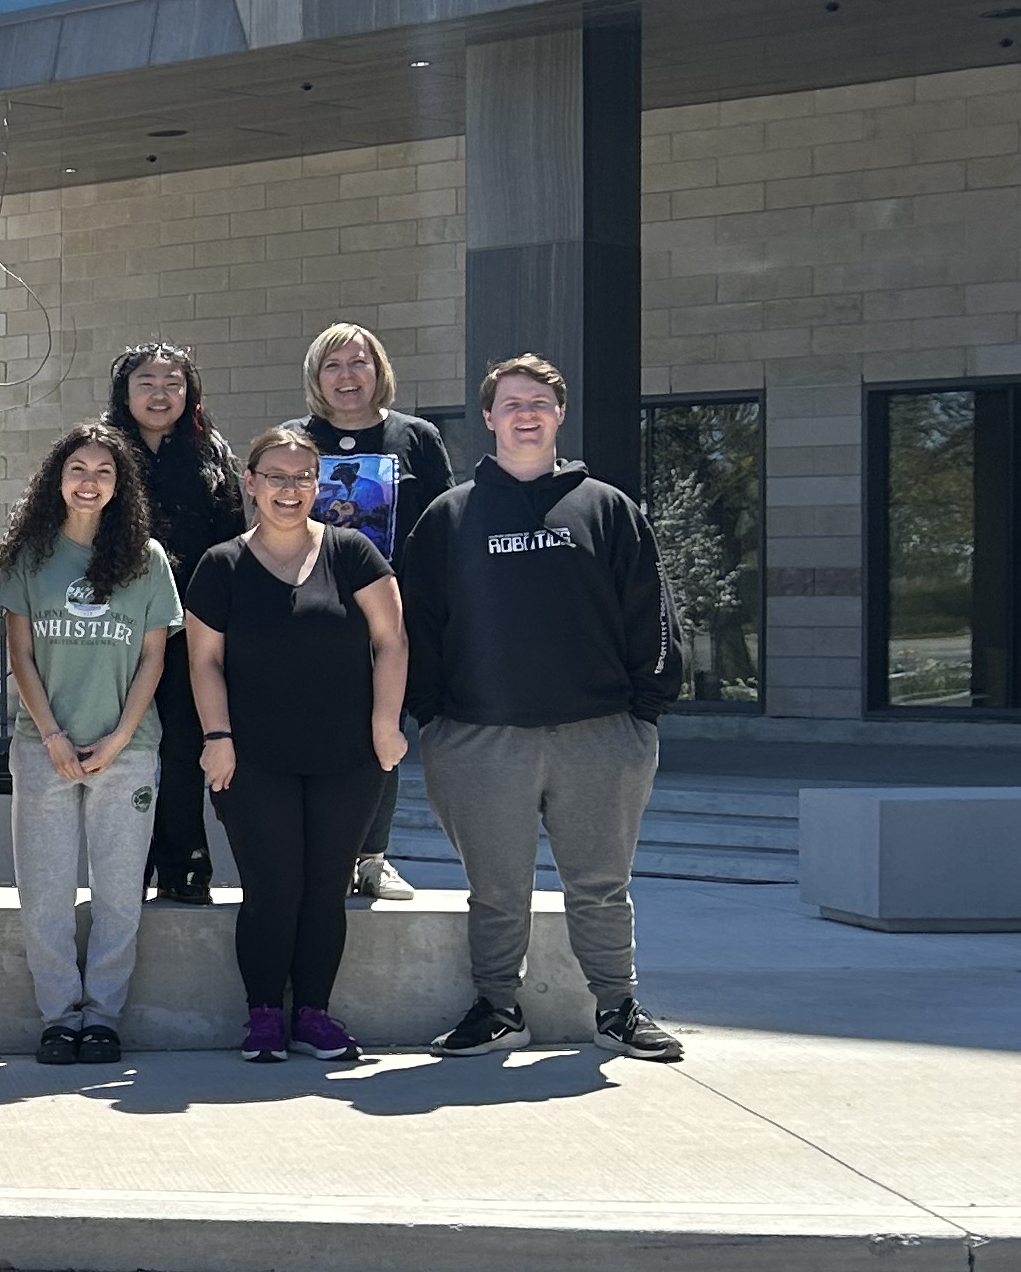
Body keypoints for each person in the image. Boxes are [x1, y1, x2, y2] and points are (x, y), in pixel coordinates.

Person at [399, 354, 688, 1063]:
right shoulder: (450, 516)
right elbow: (417, 624)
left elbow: (651, 612)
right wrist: (433, 716)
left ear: (559, 415)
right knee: (495, 890)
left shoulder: (607, 508)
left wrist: (642, 712)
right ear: (489, 419)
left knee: (600, 884)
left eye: (538, 402)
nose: (524, 414)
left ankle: (617, 1007)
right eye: (510, 403)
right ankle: (498, 1007)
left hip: (599, 735)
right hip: (479, 737)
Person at [185, 423, 411, 1065]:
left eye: (302, 477)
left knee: (324, 888)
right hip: (252, 759)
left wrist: (385, 726)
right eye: (276, 477)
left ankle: (313, 1013)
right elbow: (204, 662)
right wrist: (217, 737)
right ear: (250, 483)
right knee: (272, 887)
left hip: (348, 758)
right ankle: (263, 1015)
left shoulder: (355, 554)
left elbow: (392, 641)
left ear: (319, 484)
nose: (290, 489)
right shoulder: (221, 564)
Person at [0, 424, 180, 1065]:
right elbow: (19, 653)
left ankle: (101, 1016)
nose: (90, 481)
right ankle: (57, 1017)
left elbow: (154, 656)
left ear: (119, 485)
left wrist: (121, 736)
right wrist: (50, 733)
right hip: (42, 746)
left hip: (125, 750)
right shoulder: (27, 557)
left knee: (118, 894)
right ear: (57, 478)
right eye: (78, 468)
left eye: (105, 470)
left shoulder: (146, 559)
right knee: (43, 893)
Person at [304, 323, 457, 903]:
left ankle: (372, 857)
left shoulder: (415, 437)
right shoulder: (297, 439)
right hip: (311, 611)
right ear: (317, 378)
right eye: (333, 365)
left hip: (391, 614)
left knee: (381, 731)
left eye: (358, 363)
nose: (347, 376)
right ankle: (329, 856)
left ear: (379, 370)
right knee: (321, 732)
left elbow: (443, 527)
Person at [101, 341, 246, 905]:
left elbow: (233, 539)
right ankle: (126, 868)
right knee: (127, 744)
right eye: (147, 382)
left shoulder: (212, 454)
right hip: (118, 628)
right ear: (124, 391)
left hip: (194, 626)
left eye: (173, 383)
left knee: (186, 746)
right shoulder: (103, 450)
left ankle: (185, 863)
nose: (161, 395)